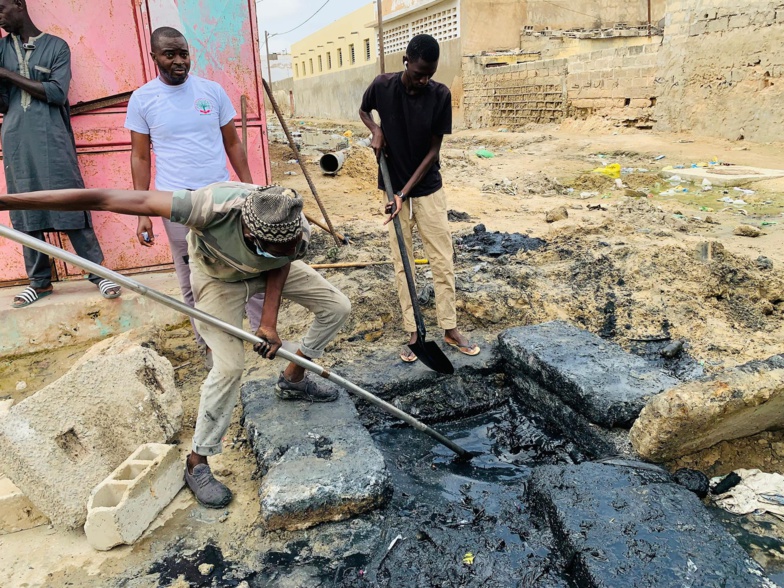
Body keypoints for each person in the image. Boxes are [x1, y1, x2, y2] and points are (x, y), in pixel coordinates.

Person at [0, 181, 352, 508]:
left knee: (337, 307)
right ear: (248, 230)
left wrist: (269, 322)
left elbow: (282, 261)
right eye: (270, 246)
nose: (283, 248)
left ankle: (293, 379)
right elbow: (104, 198)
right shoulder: (210, 207)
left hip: (266, 272)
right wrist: (7, 203)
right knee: (228, 367)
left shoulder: (292, 225)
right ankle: (197, 460)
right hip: (219, 279)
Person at [125, 26, 263, 366]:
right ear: (154, 57)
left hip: (222, 197)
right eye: (169, 54)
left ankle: (262, 334)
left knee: (251, 263)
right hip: (176, 203)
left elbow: (233, 143)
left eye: (183, 53)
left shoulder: (211, 92)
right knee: (192, 279)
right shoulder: (143, 99)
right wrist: (143, 212)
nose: (179, 61)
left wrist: (251, 190)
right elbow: (140, 157)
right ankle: (210, 345)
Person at [359, 34, 479, 363]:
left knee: (442, 259)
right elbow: (363, 109)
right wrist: (376, 130)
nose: (423, 80)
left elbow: (433, 152)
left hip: (426, 187)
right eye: (418, 73)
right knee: (403, 262)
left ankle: (450, 328)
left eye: (429, 74)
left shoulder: (439, 95)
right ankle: (414, 332)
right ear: (406, 63)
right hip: (392, 182)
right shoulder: (382, 87)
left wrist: (402, 193)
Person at [0, 0, 120, 307]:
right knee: (24, 208)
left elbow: (56, 93)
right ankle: (39, 282)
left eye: (1, 8)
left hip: (53, 140)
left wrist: (7, 74)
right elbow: (3, 104)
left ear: (19, 5)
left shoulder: (56, 46)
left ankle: (98, 273)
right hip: (16, 141)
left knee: (70, 202)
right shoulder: (1, 49)